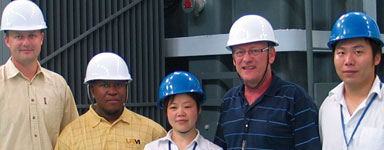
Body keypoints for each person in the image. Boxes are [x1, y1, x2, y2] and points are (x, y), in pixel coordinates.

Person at [213, 14, 321, 149]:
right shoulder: (229, 101)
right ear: (234, 59)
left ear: (271, 55)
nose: (246, 59)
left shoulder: (295, 99)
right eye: (240, 52)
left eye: (254, 51)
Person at [0, 0, 79, 149]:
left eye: (32, 35)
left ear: (41, 38)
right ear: (7, 40)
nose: (26, 42)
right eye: (18, 36)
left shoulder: (59, 86)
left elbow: (73, 139)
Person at [54, 52, 167, 149]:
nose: (112, 91)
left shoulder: (153, 133)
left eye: (118, 85)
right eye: (105, 85)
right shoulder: (71, 135)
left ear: (126, 89)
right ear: (93, 91)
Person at [319, 12, 384, 150]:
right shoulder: (327, 107)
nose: (348, 61)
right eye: (341, 53)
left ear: (377, 57)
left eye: (358, 52)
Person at [144, 71, 223, 150]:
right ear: (166, 111)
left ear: (199, 109)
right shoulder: (152, 148)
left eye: (187, 106)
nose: (180, 113)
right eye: (173, 107)